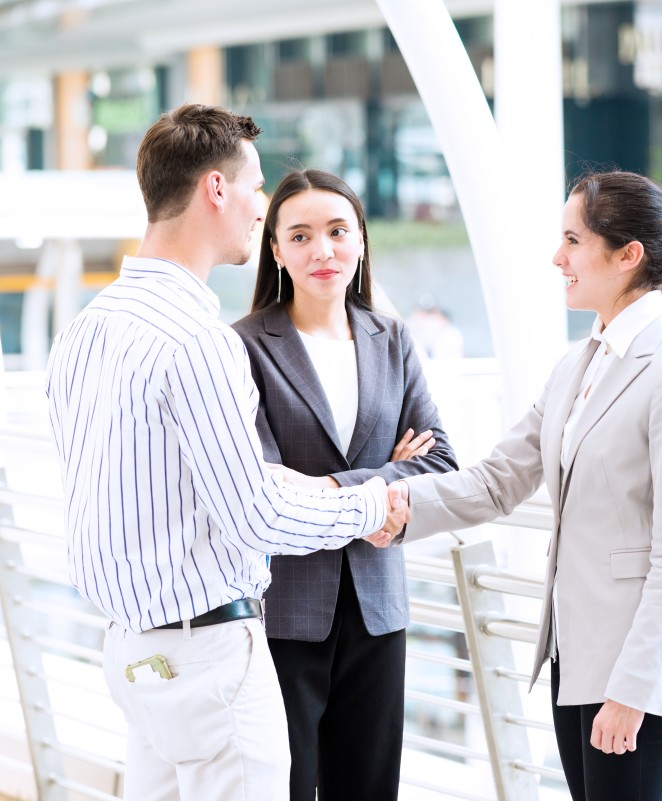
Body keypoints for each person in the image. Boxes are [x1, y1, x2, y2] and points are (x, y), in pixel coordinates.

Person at [43, 105, 410, 801]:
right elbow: (255, 512)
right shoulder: (197, 339)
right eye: (254, 187)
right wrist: (367, 503)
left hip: (132, 653)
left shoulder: (86, 328)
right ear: (216, 189)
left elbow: (176, 481)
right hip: (207, 661)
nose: (259, 207)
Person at [394, 170, 662, 800]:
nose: (557, 257)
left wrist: (632, 690)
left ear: (628, 256)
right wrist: (398, 507)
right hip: (574, 653)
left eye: (572, 240)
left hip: (637, 668)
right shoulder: (578, 364)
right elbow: (497, 482)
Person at [232, 168, 458, 801]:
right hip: (286, 614)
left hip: (379, 609)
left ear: (361, 239)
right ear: (275, 250)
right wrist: (388, 471)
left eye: (337, 231)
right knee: (290, 787)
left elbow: (439, 463)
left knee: (370, 788)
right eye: (300, 236)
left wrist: (330, 486)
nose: (322, 250)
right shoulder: (244, 347)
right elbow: (264, 484)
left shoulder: (394, 340)